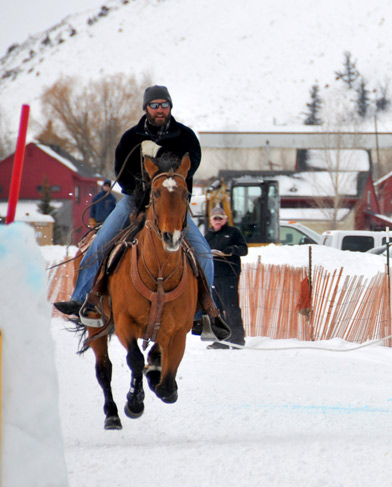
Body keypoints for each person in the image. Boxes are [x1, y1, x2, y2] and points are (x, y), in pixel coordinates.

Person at [54, 85, 229, 341]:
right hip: (133, 202)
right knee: (101, 243)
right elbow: (121, 174)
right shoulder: (130, 138)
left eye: (164, 105)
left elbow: (188, 169)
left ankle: (204, 313)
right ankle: (82, 299)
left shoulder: (186, 137)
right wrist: (142, 188)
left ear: (170, 107)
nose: (160, 109)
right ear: (146, 108)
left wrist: (161, 163)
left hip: (171, 205)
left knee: (203, 252)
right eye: (154, 105)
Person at [205, 207, 248, 349]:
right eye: (214, 218)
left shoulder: (233, 232)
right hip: (214, 276)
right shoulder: (208, 235)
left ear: (225, 219)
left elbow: (244, 249)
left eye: (220, 218)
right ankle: (222, 339)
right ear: (211, 220)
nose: (217, 221)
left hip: (229, 275)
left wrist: (233, 249)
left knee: (231, 307)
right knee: (216, 309)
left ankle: (237, 339)